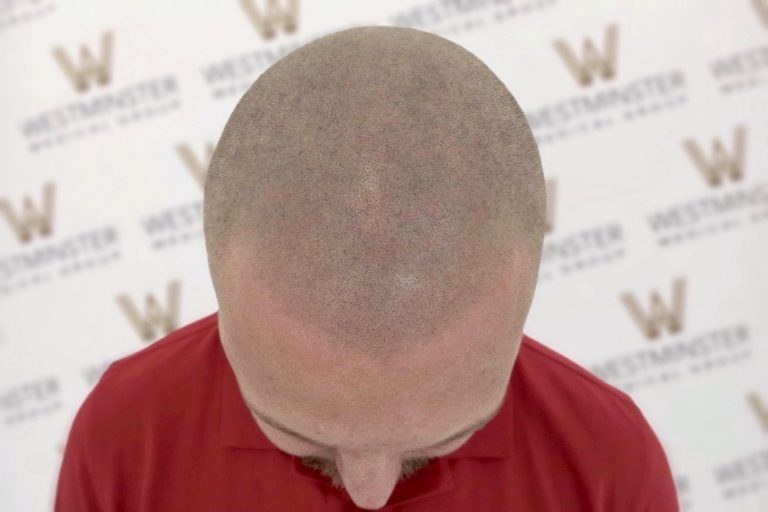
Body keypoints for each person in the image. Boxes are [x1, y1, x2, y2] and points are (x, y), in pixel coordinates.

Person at [54, 25, 679, 511]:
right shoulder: (125, 440)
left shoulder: (607, 468)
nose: (370, 494)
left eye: (441, 441)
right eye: (296, 435)